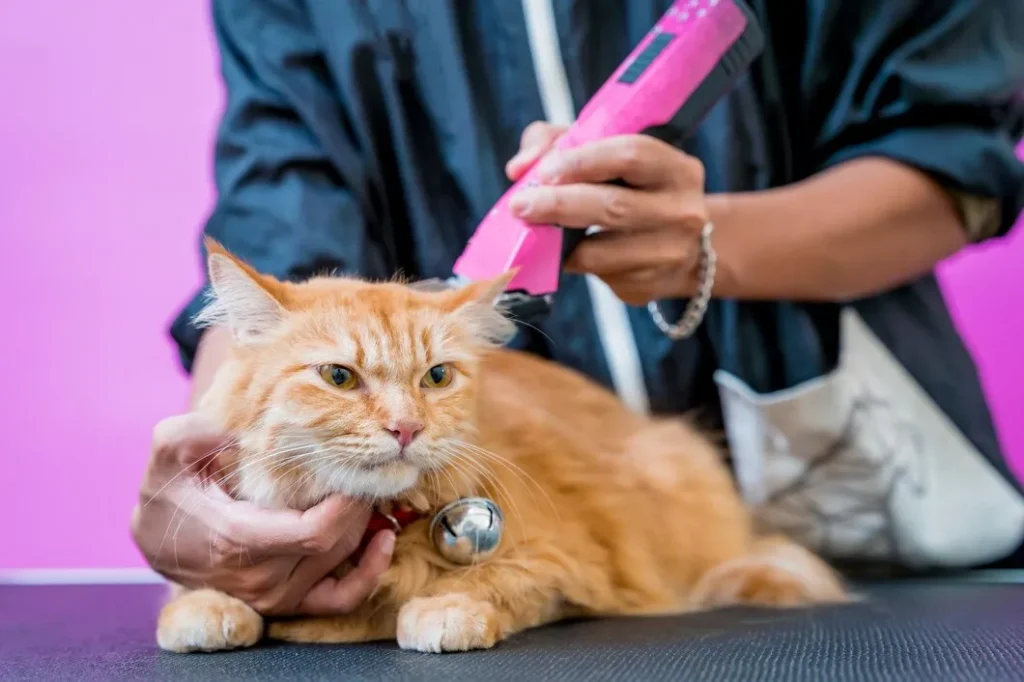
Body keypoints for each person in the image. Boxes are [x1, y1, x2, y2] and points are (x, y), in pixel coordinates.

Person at [132, 0, 1024, 618]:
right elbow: (277, 230)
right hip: (461, 511)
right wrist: (221, 488)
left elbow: (953, 154)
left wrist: (710, 242)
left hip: (872, 505)